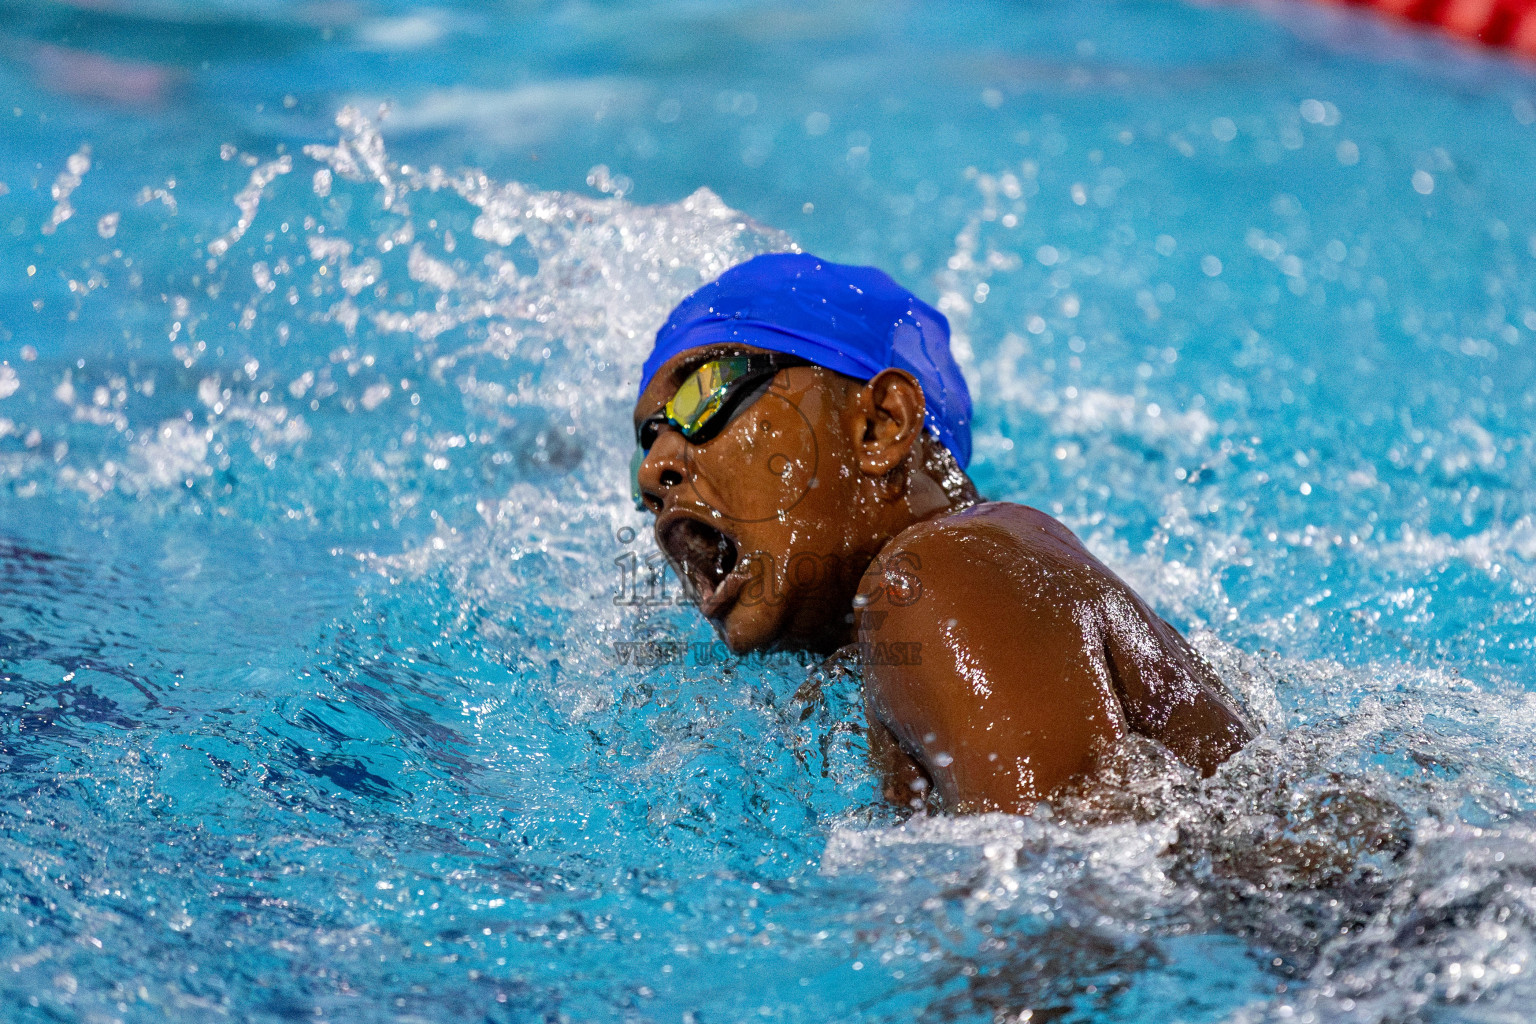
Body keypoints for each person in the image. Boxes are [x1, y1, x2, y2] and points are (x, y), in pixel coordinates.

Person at [630, 252, 1253, 814]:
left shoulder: (946, 570)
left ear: (880, 424)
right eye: (646, 440)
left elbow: (1066, 905)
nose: (653, 471)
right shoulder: (897, 644)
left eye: (701, 397)